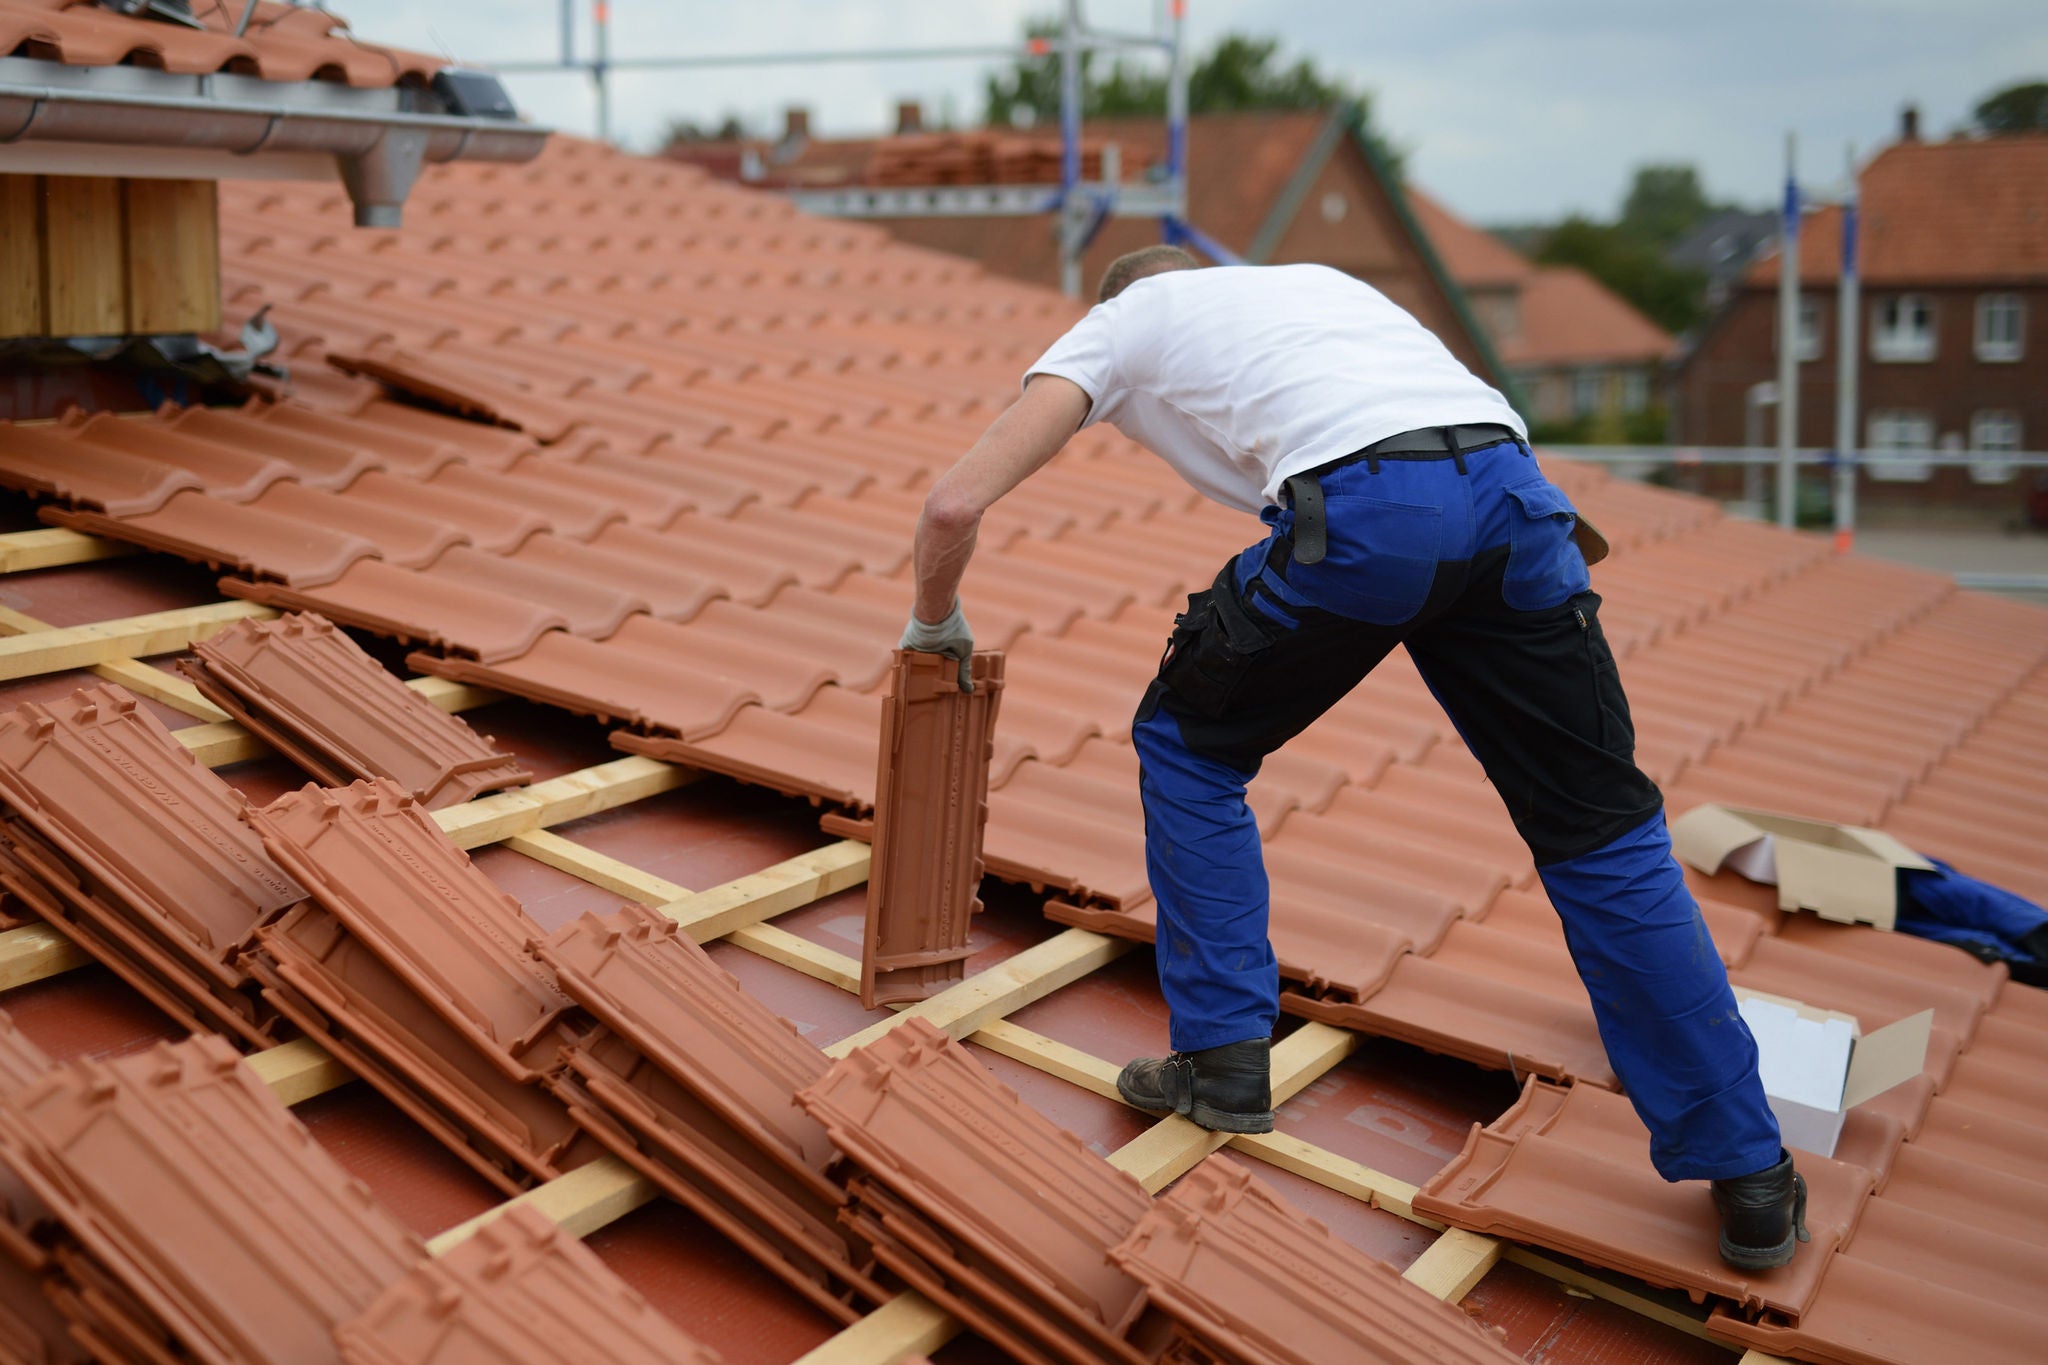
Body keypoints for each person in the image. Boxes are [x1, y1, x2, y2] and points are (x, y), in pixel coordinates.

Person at [901, 245, 1807, 1270]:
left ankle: (1219, 1062)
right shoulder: (1318, 290)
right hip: (1517, 502)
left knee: (1186, 743)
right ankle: (1751, 1174)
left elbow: (953, 504)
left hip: (1376, 515)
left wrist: (933, 621)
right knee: (1602, 834)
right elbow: (1441, 434)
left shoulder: (1122, 321)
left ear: (1127, 294)